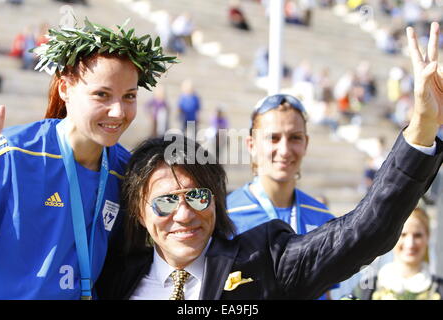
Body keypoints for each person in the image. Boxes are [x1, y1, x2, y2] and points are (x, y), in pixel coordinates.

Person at [95, 22, 443, 300]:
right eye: (167, 201)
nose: (184, 214)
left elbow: (365, 231)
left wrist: (423, 127)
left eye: (198, 197)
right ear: (139, 211)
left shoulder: (264, 261)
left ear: (216, 202)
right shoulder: (111, 278)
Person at [0, 18, 175, 299]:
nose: (118, 112)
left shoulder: (126, 172)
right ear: (65, 89)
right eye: (102, 95)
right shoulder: (13, 154)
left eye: (129, 96)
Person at [225, 95, 338, 300]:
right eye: (273, 138)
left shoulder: (323, 218)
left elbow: (326, 294)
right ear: (251, 145)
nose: (285, 151)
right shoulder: (224, 216)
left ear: (306, 143)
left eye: (295, 137)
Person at [352, 207, 443, 300]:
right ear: (392, 237)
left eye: (417, 235)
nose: (410, 243)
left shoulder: (440, 290)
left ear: (428, 237)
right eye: (403, 235)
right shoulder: (366, 289)